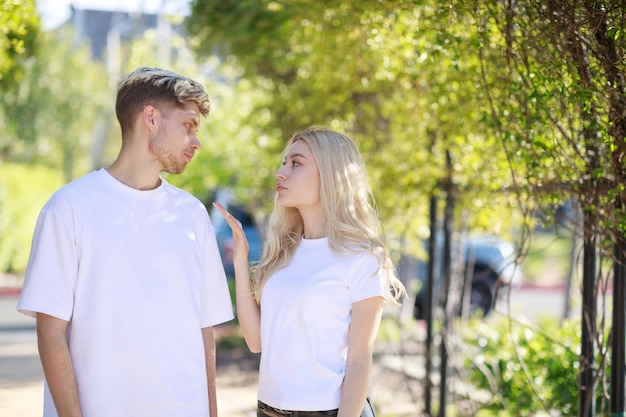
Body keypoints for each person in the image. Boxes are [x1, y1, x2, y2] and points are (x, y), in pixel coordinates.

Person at [17, 67, 234, 417]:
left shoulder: (192, 215)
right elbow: (51, 332)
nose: (196, 142)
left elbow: (204, 332)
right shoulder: (70, 208)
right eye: (188, 126)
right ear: (151, 117)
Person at [213, 126, 405, 417]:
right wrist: (240, 261)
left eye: (296, 163)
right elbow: (256, 341)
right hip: (269, 408)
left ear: (330, 174)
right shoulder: (283, 253)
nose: (281, 172)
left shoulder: (362, 257)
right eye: (284, 163)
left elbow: (359, 361)